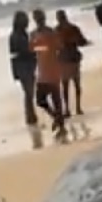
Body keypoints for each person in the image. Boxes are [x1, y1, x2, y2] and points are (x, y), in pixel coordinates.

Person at [29, 9, 68, 142]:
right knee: (40, 100)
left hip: (52, 69)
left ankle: (61, 125)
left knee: (57, 100)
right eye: (37, 17)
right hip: (42, 71)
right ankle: (56, 118)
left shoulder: (50, 32)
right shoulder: (33, 34)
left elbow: (59, 46)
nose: (39, 19)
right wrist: (44, 47)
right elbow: (32, 49)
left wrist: (41, 47)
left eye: (40, 17)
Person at [54, 10, 88, 117]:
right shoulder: (73, 28)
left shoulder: (56, 31)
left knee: (65, 86)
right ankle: (78, 108)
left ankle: (67, 109)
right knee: (76, 84)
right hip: (73, 58)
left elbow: (54, 47)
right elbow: (82, 42)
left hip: (63, 60)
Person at [8, 11, 38, 127]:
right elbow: (24, 50)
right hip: (24, 66)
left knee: (29, 92)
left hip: (22, 65)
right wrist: (33, 51)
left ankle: (31, 115)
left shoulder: (18, 34)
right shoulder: (17, 35)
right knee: (29, 92)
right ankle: (30, 117)